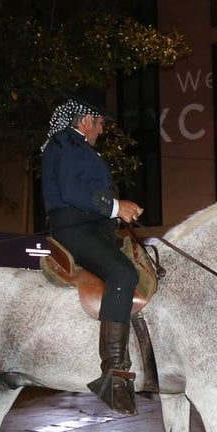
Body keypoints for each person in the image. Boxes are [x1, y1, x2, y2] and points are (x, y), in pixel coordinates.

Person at [40, 89, 143, 415]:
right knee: (123, 273)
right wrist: (116, 206)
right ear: (86, 120)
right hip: (75, 230)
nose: (101, 129)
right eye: (100, 123)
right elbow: (72, 192)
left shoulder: (78, 147)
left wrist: (118, 211)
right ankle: (112, 372)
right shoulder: (65, 144)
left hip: (94, 229)